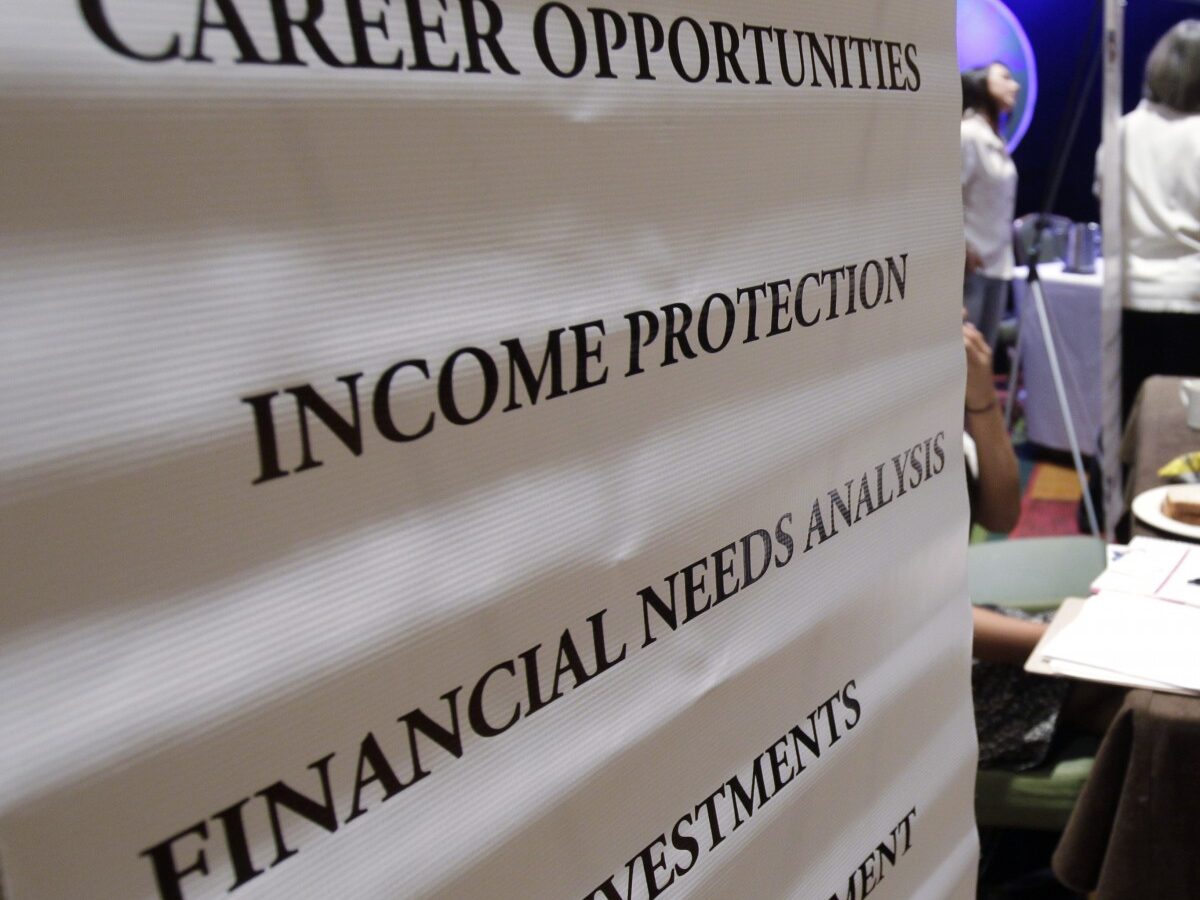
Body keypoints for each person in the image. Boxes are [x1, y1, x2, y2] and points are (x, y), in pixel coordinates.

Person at [963, 322, 1121, 768]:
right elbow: (912, 619)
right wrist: (1067, 643)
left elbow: (1001, 515)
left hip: (966, 624)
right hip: (919, 681)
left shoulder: (928, 404)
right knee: (1135, 694)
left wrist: (981, 400)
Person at [1103, 20, 1200, 419]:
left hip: (1131, 296)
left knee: (1133, 419)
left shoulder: (1121, 131)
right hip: (1191, 296)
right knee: (1186, 425)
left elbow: (1106, 206)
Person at [961, 63, 1021, 350]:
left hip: (998, 262)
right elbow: (945, 193)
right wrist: (961, 247)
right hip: (971, 266)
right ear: (982, 83)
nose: (1015, 86)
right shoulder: (968, 134)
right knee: (964, 357)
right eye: (1005, 77)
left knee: (985, 354)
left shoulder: (995, 137)